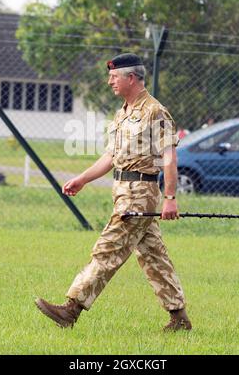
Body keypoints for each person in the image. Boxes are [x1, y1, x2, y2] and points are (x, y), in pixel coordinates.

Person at [35, 53, 192, 332]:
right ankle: (179, 318)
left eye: (114, 76)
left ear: (131, 78)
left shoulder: (155, 111)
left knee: (108, 250)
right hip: (122, 191)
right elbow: (111, 156)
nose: (110, 81)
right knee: (153, 256)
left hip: (139, 195)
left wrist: (170, 198)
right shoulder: (123, 112)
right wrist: (83, 179)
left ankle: (71, 309)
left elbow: (169, 157)